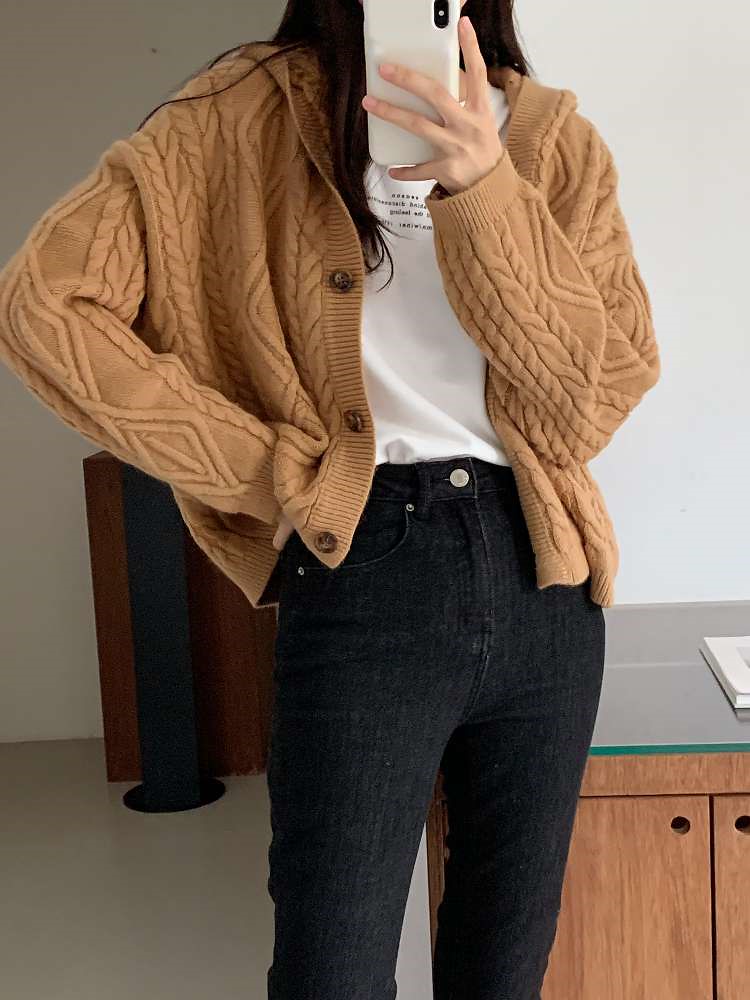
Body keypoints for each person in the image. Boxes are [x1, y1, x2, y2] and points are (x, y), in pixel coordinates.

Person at [0, 1, 661, 997]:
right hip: (365, 567)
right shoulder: (233, 113)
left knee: (505, 966)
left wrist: (485, 188)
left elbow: (586, 407)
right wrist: (270, 472)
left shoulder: (553, 139)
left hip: (546, 578)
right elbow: (44, 306)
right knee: (332, 970)